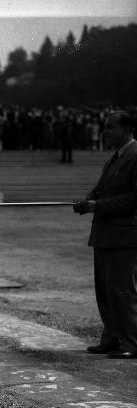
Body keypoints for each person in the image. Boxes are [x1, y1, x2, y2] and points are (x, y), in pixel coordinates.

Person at [74, 111, 137, 359]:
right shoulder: (115, 158)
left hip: (124, 236)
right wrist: (89, 199)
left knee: (123, 291)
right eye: (105, 127)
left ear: (128, 128)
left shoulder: (135, 156)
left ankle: (131, 342)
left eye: (111, 127)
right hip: (105, 234)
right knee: (106, 291)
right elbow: (103, 188)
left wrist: (97, 206)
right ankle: (111, 338)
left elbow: (134, 198)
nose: (105, 132)